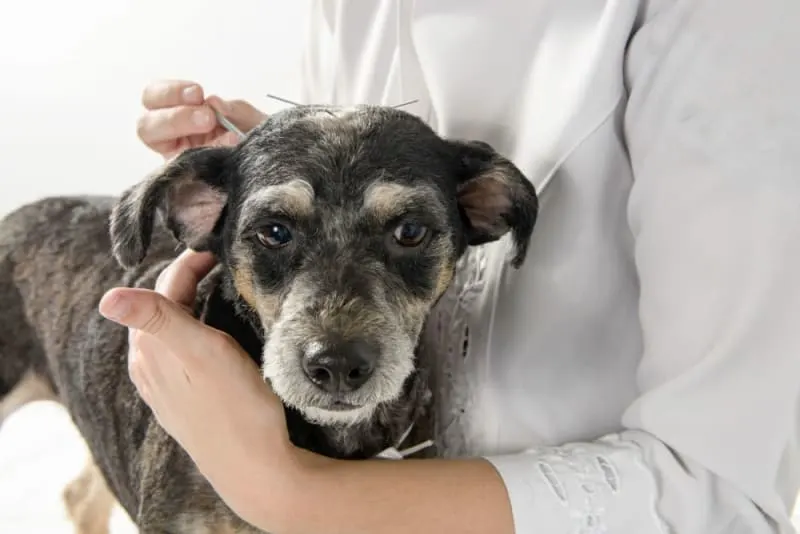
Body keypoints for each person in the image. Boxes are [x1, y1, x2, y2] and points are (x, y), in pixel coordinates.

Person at [98, 1, 800, 532]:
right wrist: (271, 168)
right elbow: (348, 186)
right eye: (276, 230)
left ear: (493, 214)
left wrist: (287, 493)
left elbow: (725, 493)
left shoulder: (730, 24)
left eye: (409, 231)